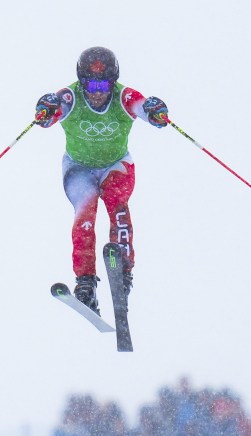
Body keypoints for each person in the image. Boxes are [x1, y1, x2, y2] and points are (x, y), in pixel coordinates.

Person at [34, 46, 169, 314]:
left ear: (114, 81)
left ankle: (124, 273)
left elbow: (145, 109)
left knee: (117, 206)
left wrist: (156, 111)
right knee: (85, 214)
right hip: (78, 167)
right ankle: (85, 281)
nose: (97, 92)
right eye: (91, 84)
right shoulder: (70, 97)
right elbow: (48, 117)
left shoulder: (124, 97)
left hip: (116, 165)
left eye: (104, 84)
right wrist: (45, 110)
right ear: (81, 81)